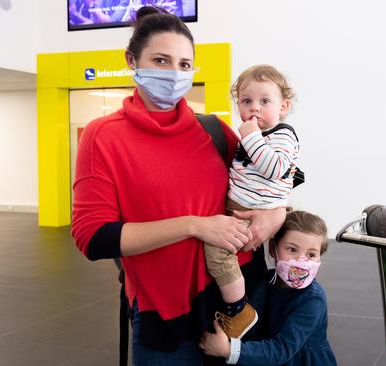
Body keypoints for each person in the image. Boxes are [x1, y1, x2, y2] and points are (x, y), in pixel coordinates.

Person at [70, 5, 285, 365]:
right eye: (160, 60)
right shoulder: (104, 137)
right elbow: (92, 237)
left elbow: (273, 183)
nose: (174, 73)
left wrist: (275, 216)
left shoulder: (214, 130)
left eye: (184, 65)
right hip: (164, 315)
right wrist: (194, 226)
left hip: (237, 304)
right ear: (131, 60)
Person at [204, 64, 302, 340]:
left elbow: (274, 167)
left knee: (217, 249)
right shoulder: (254, 137)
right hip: (241, 207)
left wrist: (251, 136)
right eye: (246, 101)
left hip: (250, 212)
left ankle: (237, 309)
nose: (254, 108)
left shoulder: (282, 134)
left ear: (283, 106)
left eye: (264, 101)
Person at [200, 210, 337, 366]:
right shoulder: (266, 280)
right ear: (273, 248)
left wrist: (228, 349)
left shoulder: (312, 301)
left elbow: (282, 349)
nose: (301, 261)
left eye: (311, 255)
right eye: (292, 250)